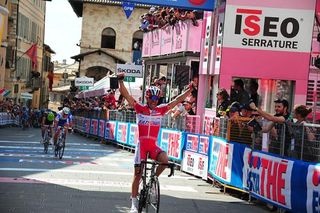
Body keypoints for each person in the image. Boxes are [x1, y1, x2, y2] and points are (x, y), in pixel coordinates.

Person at [117, 73, 196, 213]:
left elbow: (177, 100)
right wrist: (120, 81)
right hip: (141, 145)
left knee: (165, 159)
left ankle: (153, 179)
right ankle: (134, 204)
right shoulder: (140, 108)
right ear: (147, 98)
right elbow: (126, 95)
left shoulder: (161, 110)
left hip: (153, 145)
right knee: (137, 174)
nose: (154, 100)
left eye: (157, 98)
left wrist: (189, 90)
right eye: (152, 98)